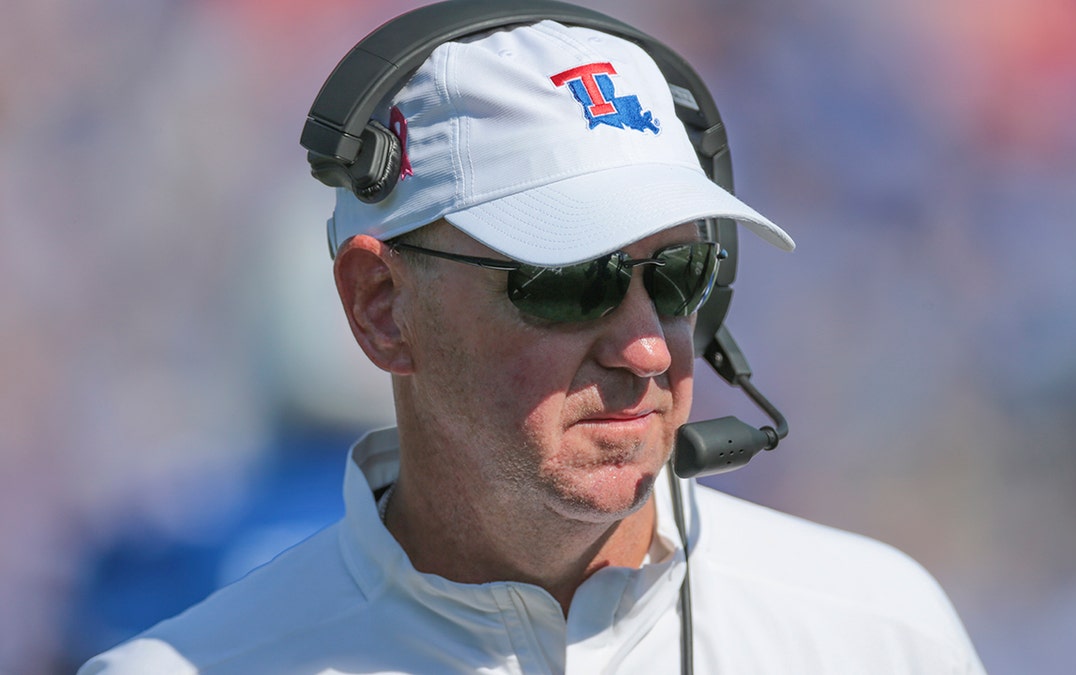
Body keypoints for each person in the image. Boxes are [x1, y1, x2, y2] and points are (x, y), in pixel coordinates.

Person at [81, 6, 986, 674]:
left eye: (677, 276)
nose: (646, 349)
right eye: (567, 282)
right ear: (381, 306)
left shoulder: (879, 630)